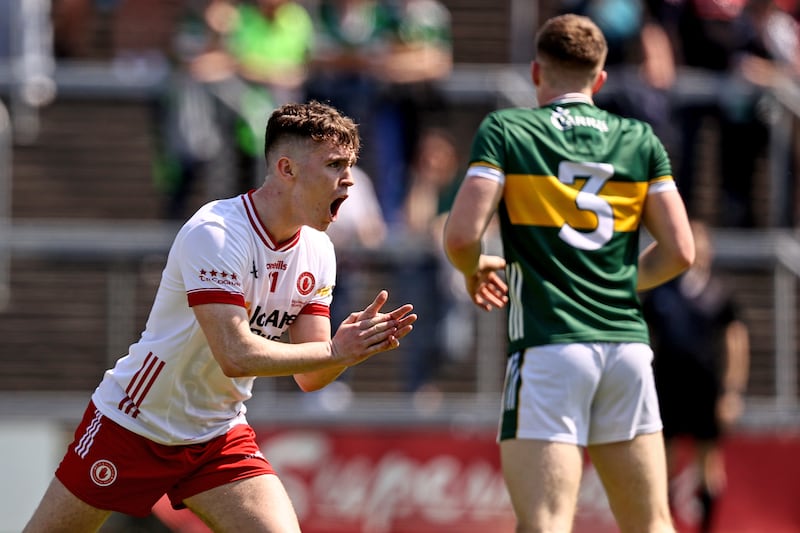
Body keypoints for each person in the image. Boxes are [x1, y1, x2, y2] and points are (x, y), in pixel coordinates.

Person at [23, 101, 417, 532]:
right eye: (335, 165)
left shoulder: (319, 249)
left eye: (351, 165)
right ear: (286, 168)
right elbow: (235, 354)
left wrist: (350, 351)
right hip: (134, 422)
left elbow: (311, 375)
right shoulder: (217, 233)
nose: (349, 180)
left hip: (216, 434)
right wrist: (332, 350)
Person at [443, 14, 695, 533]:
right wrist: (618, 283)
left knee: (545, 523)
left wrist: (472, 269)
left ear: (537, 72)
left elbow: (462, 236)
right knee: (651, 523)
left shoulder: (508, 129)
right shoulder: (639, 138)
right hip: (626, 349)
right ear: (598, 80)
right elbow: (681, 253)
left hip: (549, 345)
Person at [642, 220, 750, 533]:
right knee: (663, 464)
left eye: (702, 243)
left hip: (705, 390)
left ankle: (707, 527)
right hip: (667, 389)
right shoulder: (661, 290)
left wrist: (731, 391)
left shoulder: (720, 292)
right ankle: (665, 524)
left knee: (708, 464)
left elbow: (735, 341)